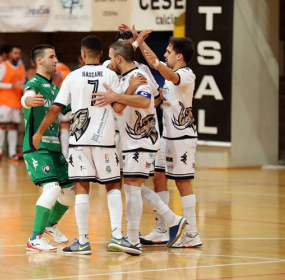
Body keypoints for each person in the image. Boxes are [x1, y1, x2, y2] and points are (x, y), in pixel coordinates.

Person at [32, 35, 145, 255]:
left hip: (79, 142)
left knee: (82, 188)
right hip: (105, 141)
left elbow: (56, 109)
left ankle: (83, 241)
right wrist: (129, 89)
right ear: (102, 54)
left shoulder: (72, 77)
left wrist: (39, 132)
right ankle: (117, 236)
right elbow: (119, 109)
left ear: (83, 54)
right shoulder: (111, 75)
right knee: (113, 187)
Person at [92, 40, 187, 254]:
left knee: (132, 188)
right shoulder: (125, 80)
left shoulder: (138, 78)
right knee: (133, 187)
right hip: (131, 141)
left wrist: (119, 94)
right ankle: (173, 220)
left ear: (118, 58)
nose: (108, 62)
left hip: (143, 140)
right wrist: (123, 93)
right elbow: (117, 108)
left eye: (110, 57)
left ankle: (133, 239)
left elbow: (145, 102)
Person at [124, 24, 203, 248]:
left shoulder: (185, 74)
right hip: (164, 136)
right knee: (158, 177)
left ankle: (192, 234)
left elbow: (162, 68)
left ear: (179, 56)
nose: (164, 55)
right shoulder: (168, 79)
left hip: (182, 137)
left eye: (168, 52)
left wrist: (146, 51)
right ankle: (162, 228)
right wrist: (138, 40)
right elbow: (160, 86)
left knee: (183, 182)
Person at [21, 44, 75, 252]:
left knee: (69, 191)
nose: (56, 60)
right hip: (37, 147)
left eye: (56, 56)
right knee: (52, 188)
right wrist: (28, 101)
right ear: (39, 61)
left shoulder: (55, 88)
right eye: (52, 57)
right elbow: (25, 97)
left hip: (54, 147)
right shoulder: (34, 83)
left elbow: (70, 111)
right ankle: (35, 238)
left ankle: (51, 225)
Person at [0, 44, 25, 161]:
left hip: (15, 102)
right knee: (1, 126)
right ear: (10, 54)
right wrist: (11, 85)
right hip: (3, 102)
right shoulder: (3, 66)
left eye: (19, 53)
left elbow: (22, 84)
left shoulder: (21, 67)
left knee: (13, 127)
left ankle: (12, 153)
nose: (17, 55)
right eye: (15, 53)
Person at [52, 52, 72, 159]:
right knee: (65, 126)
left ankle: (60, 154)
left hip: (54, 98)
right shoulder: (66, 68)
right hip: (66, 100)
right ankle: (65, 154)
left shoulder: (52, 70)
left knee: (54, 126)